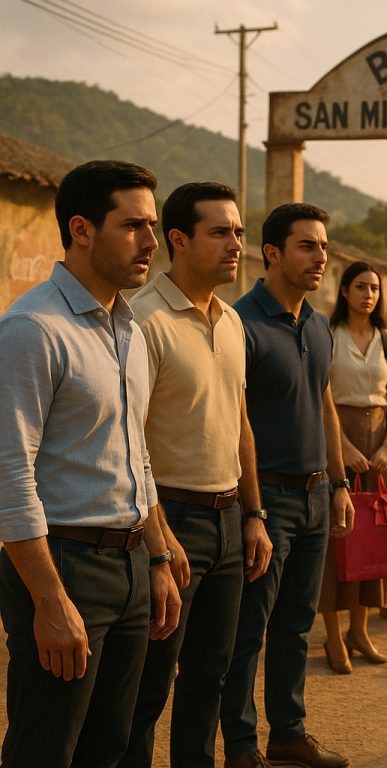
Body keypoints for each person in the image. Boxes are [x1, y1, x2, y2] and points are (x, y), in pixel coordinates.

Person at [0, 160, 181, 768]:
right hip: (65, 567)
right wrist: (49, 601)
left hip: (130, 564)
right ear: (81, 229)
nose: (152, 243)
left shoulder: (126, 327)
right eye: (134, 227)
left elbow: (134, 455)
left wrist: (155, 554)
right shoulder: (32, 329)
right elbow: (8, 475)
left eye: (152, 226)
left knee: (114, 746)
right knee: (46, 748)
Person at [119, 182, 273, 768]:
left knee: (211, 675)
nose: (237, 244)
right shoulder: (142, 321)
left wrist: (254, 514)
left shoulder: (232, 322)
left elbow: (240, 424)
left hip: (229, 520)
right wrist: (160, 541)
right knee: (148, 687)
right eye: (220, 232)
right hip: (170, 522)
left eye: (238, 231)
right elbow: (129, 443)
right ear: (177, 241)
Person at [221, 203, 355, 768]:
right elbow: (235, 422)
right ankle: (243, 747)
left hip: (317, 495)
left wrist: (341, 481)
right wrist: (252, 510)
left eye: (324, 246)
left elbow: (324, 402)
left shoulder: (320, 325)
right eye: (307, 245)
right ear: (272, 253)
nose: (320, 256)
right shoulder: (239, 324)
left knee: (296, 626)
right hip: (265, 498)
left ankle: (288, 734)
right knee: (247, 632)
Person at [318, 261, 387, 673]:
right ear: (345, 291)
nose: (368, 294)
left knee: (374, 539)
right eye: (360, 287)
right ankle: (333, 636)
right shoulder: (328, 335)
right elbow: (324, 398)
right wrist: (344, 448)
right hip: (341, 441)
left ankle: (360, 630)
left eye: (374, 288)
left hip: (380, 447)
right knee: (339, 539)